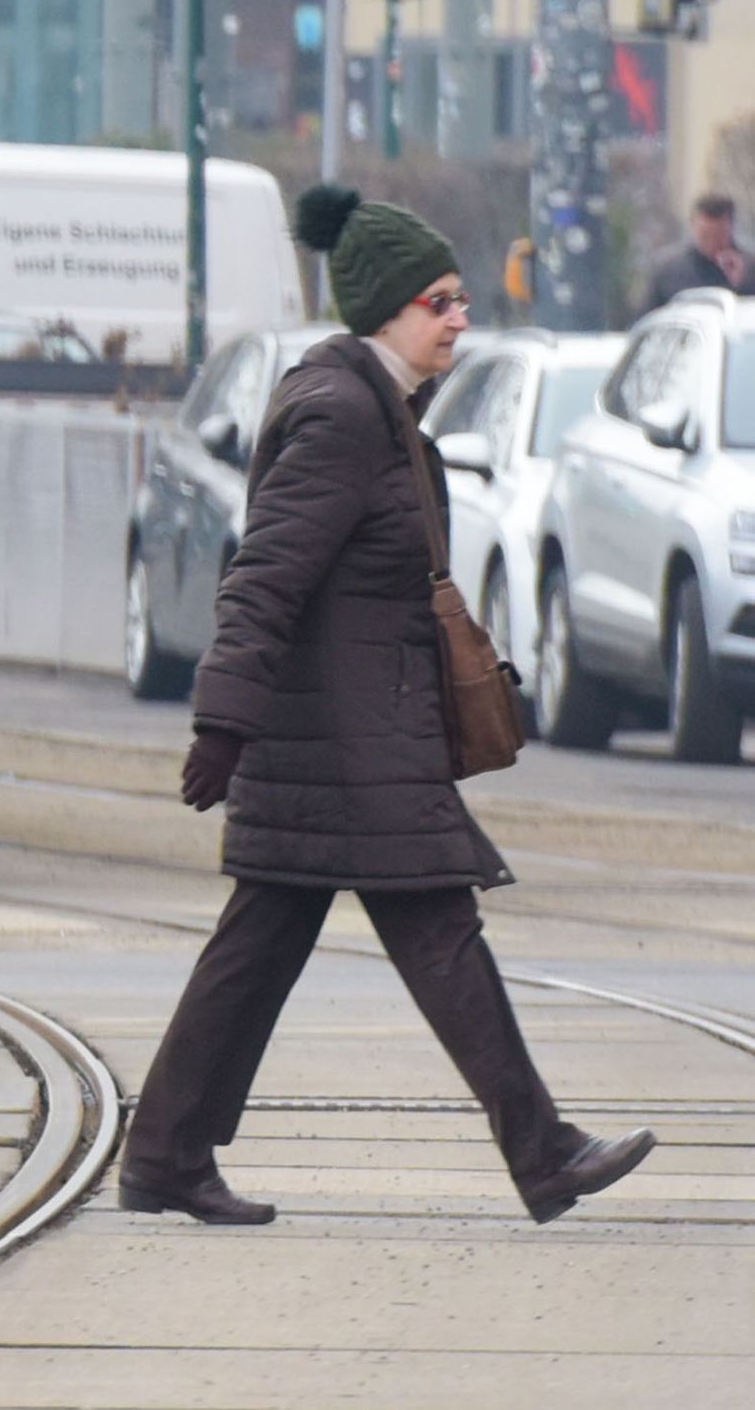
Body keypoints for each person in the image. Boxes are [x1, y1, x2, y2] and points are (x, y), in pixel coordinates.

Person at [119, 182, 652, 1228]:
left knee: (261, 944)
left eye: (458, 299)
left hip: (348, 739)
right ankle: (542, 1154)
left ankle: (163, 1155)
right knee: (437, 935)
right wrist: (221, 721)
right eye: (441, 301)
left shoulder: (374, 411)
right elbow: (262, 574)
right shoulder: (339, 415)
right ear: (385, 311)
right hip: (349, 747)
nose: (461, 316)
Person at [638, 190, 745, 310]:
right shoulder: (669, 272)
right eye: (705, 235)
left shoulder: (748, 269)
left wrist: (741, 283)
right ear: (693, 225)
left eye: (719, 235)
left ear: (731, 227)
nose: (712, 242)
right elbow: (647, 318)